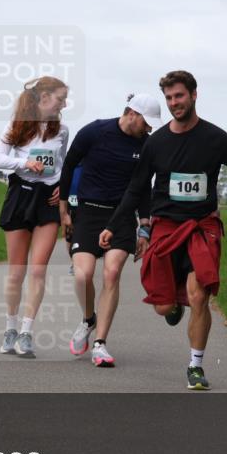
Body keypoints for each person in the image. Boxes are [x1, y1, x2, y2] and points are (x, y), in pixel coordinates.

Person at [101, 70, 227, 390]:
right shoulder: (157, 142)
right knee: (164, 306)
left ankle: (196, 365)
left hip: (202, 227)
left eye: (178, 96)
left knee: (200, 296)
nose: (173, 103)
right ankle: (172, 303)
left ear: (194, 96)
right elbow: (136, 188)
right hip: (166, 228)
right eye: (168, 98)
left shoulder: (214, 138)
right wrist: (113, 226)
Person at [58, 93, 162, 367]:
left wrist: (144, 227)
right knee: (83, 275)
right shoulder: (95, 131)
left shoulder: (146, 145)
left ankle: (100, 344)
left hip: (121, 215)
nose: (149, 128)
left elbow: (142, 188)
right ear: (131, 113)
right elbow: (69, 165)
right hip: (88, 212)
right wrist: (64, 209)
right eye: (146, 122)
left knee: (112, 273)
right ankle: (88, 319)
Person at [0, 77, 70, 358]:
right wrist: (25, 163)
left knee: (38, 270)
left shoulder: (62, 130)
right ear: (44, 97)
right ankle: (10, 327)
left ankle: (26, 332)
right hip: (20, 196)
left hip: (47, 201)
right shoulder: (16, 125)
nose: (64, 104)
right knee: (17, 272)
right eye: (61, 98)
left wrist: (63, 185)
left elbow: (62, 163)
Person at [64, 164, 83, 274]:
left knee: (83, 232)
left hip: (84, 201)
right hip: (70, 202)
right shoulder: (69, 164)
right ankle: (73, 262)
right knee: (69, 235)